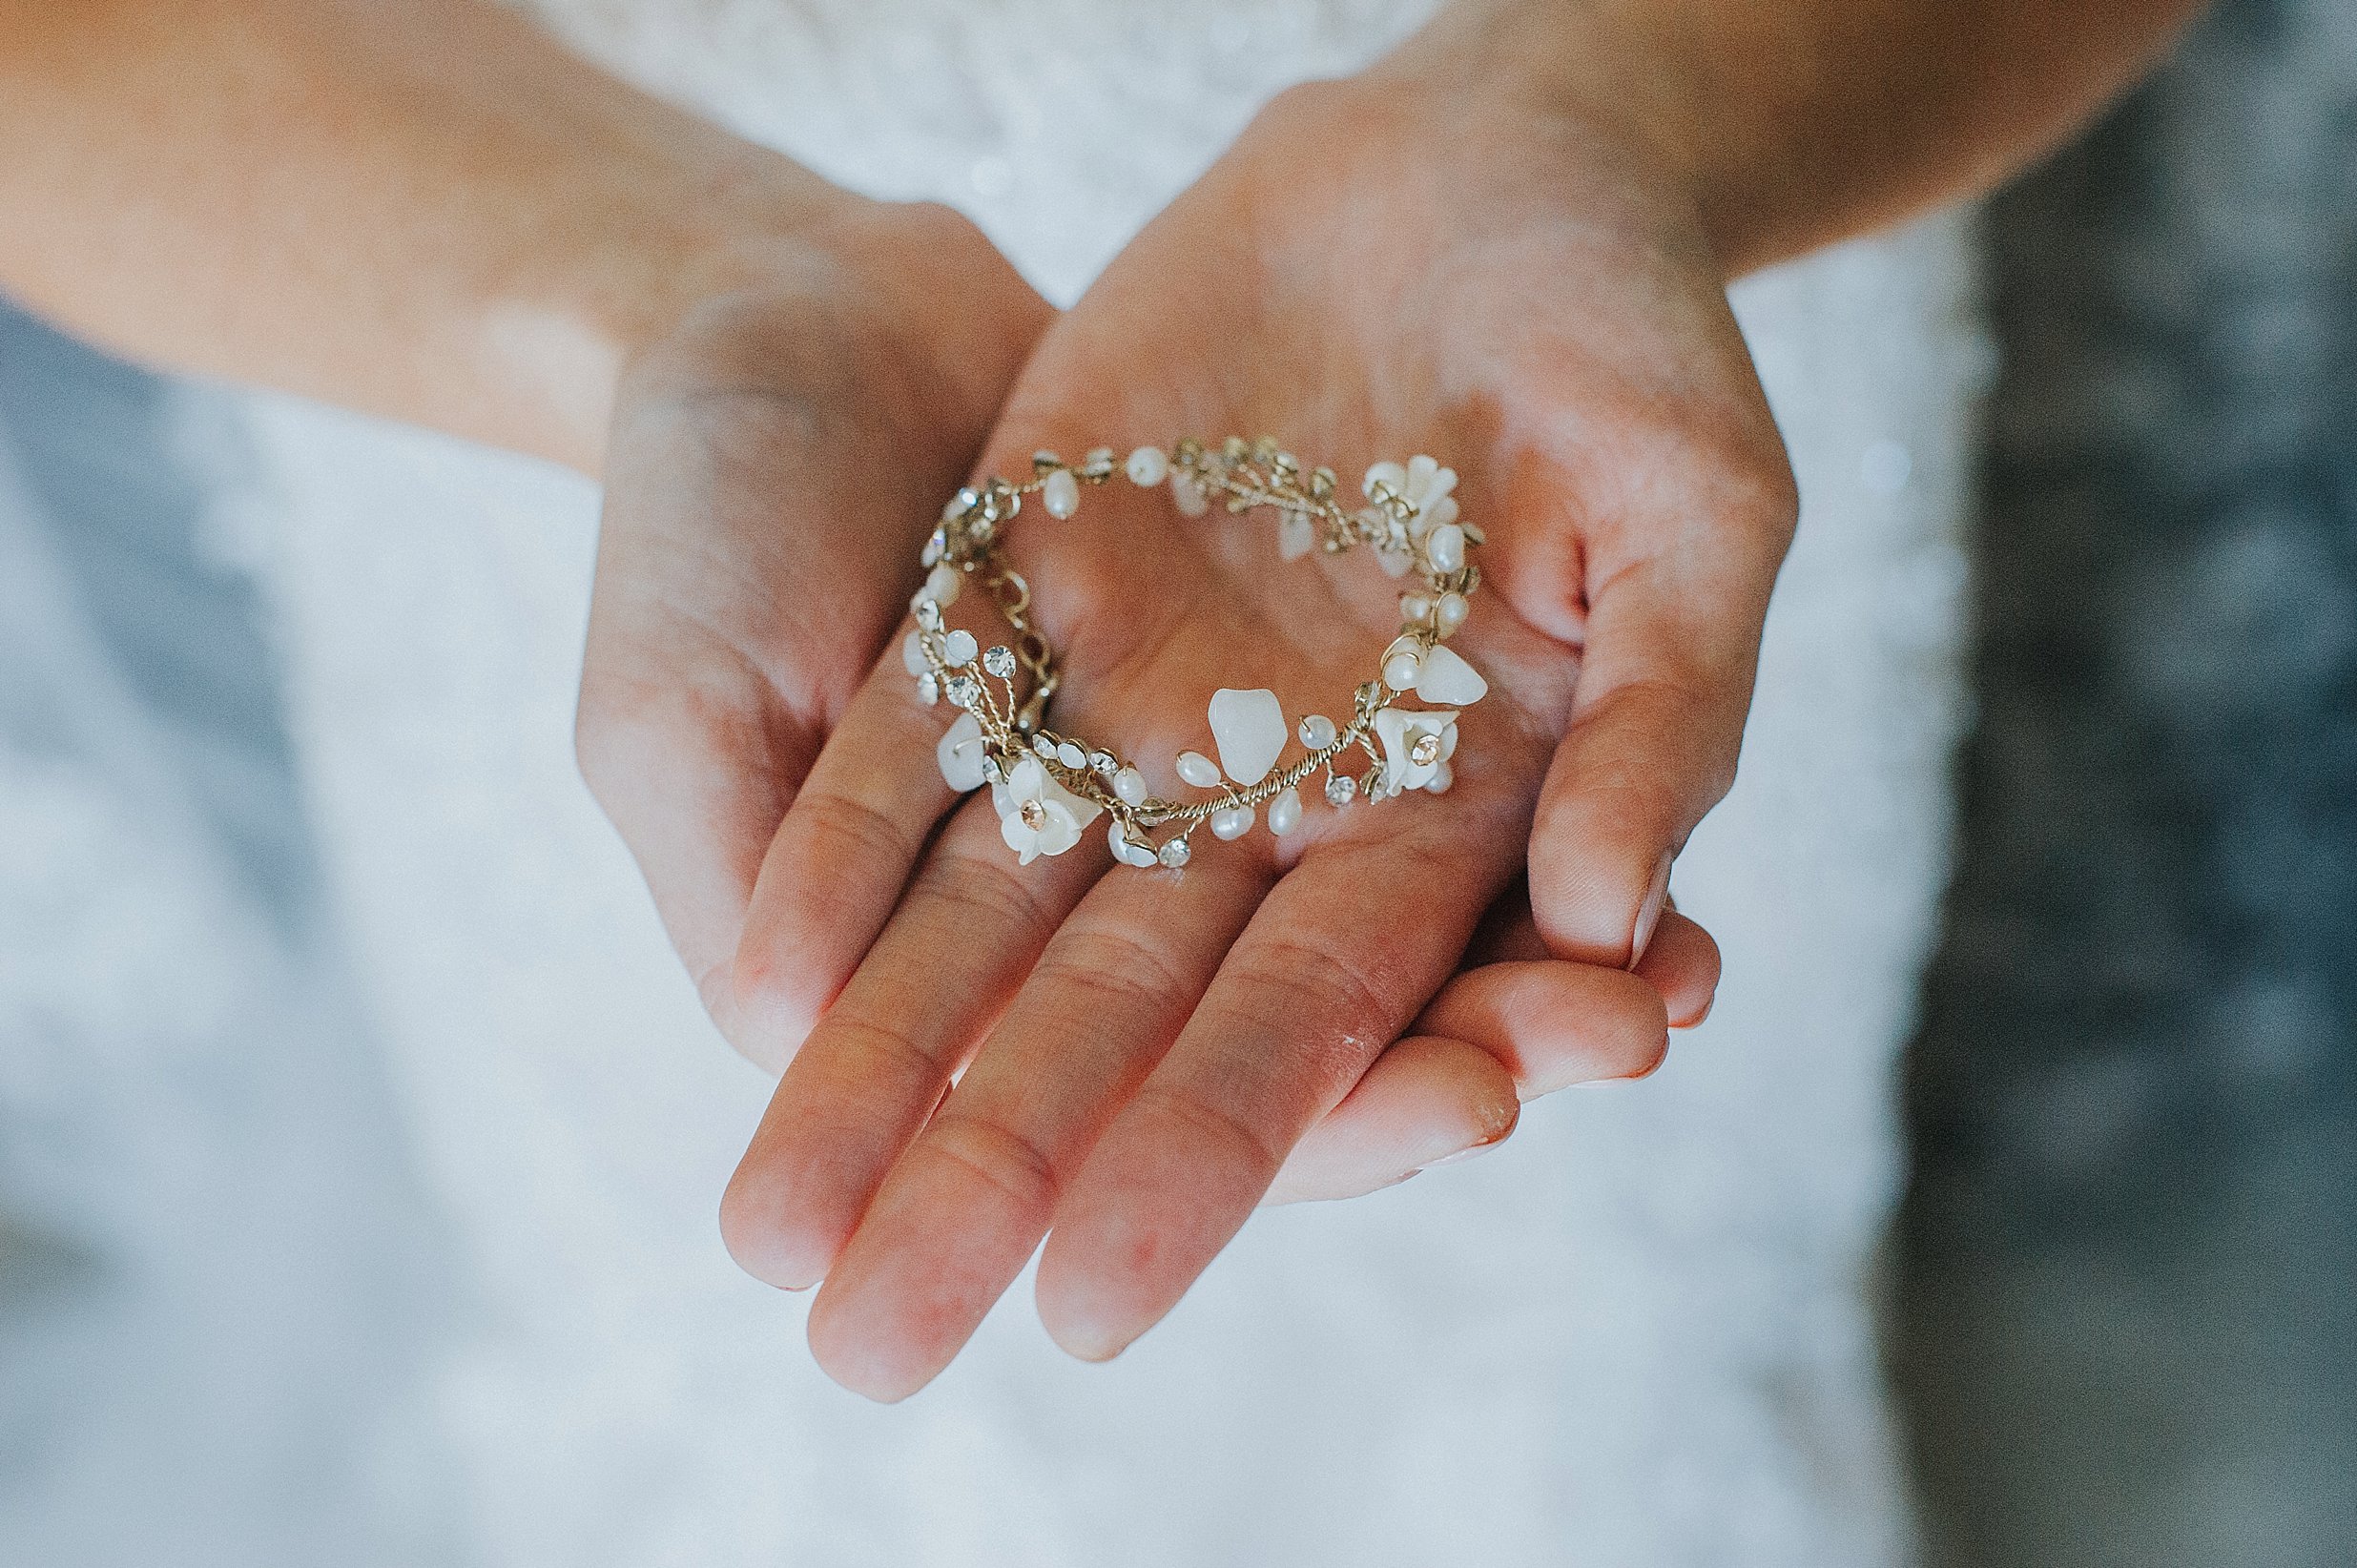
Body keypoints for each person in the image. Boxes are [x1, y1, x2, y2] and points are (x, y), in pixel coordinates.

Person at [0, 0, 2200, 1560]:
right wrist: (680, 292)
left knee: (1585, 1370)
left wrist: (1613, 103)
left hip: (1578, 373)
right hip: (497, 319)